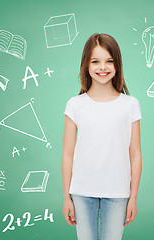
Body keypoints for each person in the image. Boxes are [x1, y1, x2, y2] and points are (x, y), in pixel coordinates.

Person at [62, 33, 142, 240]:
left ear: (117, 65)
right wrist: (66, 197)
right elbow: (68, 154)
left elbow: (135, 154)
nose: (102, 67)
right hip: (81, 190)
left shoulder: (130, 104)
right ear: (86, 66)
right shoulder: (75, 104)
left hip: (118, 192)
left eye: (109, 61)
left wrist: (133, 197)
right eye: (95, 61)